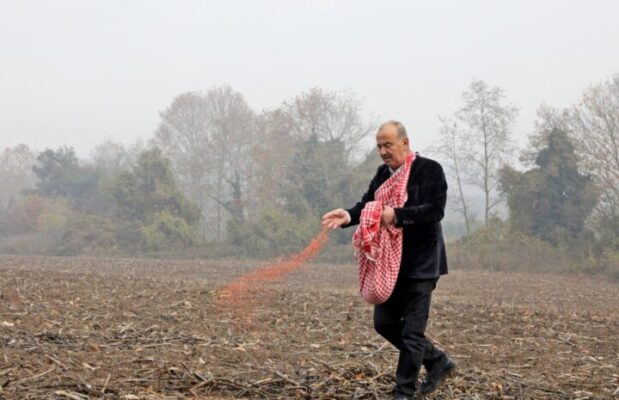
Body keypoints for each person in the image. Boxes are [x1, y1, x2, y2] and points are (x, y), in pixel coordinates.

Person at [321, 120, 455, 399]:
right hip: (388, 266)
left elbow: (434, 210)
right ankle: (437, 361)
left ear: (405, 143)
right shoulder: (383, 174)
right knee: (384, 323)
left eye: (388, 145)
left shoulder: (429, 170)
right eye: (379, 146)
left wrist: (397, 215)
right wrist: (348, 216)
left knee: (412, 332)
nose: (382, 151)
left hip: (421, 264)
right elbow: (367, 204)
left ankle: (403, 392)